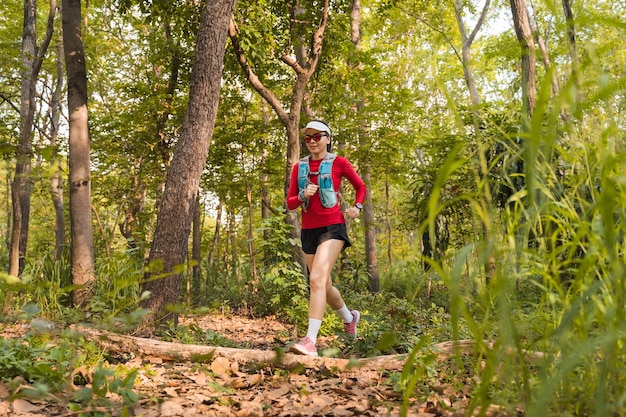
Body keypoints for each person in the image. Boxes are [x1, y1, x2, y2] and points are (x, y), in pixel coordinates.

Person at [286, 120, 367, 357]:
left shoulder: (339, 163)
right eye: (308, 138)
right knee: (325, 285)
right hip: (309, 230)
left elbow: (361, 187)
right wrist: (302, 194)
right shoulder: (298, 167)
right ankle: (350, 318)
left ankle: (310, 341)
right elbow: (290, 203)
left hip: (333, 227)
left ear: (328, 138)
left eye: (317, 136)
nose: (312, 141)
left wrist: (357, 207)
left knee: (317, 278)